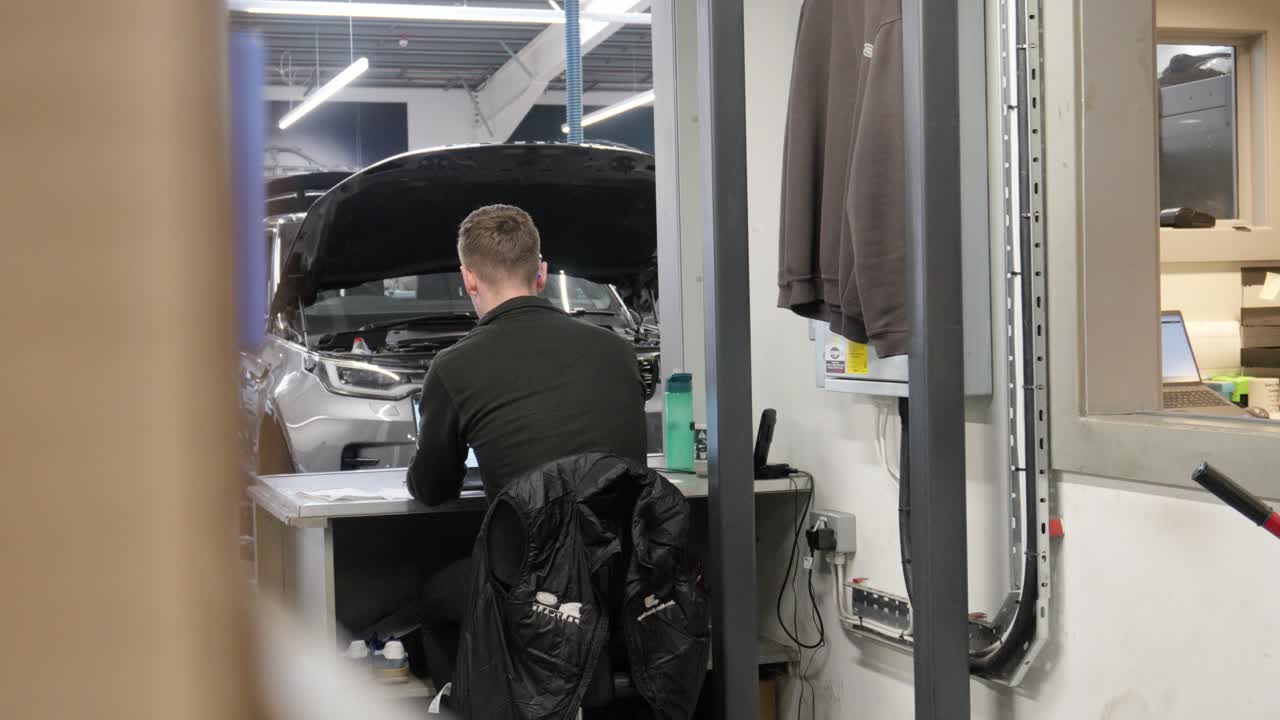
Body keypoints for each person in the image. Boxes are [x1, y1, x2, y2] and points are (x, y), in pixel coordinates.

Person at [405, 204, 648, 700]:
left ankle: (467, 702)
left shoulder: (454, 367)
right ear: (541, 273)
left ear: (469, 280)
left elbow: (432, 489)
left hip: (530, 586)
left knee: (433, 600)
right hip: (625, 573)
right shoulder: (616, 350)